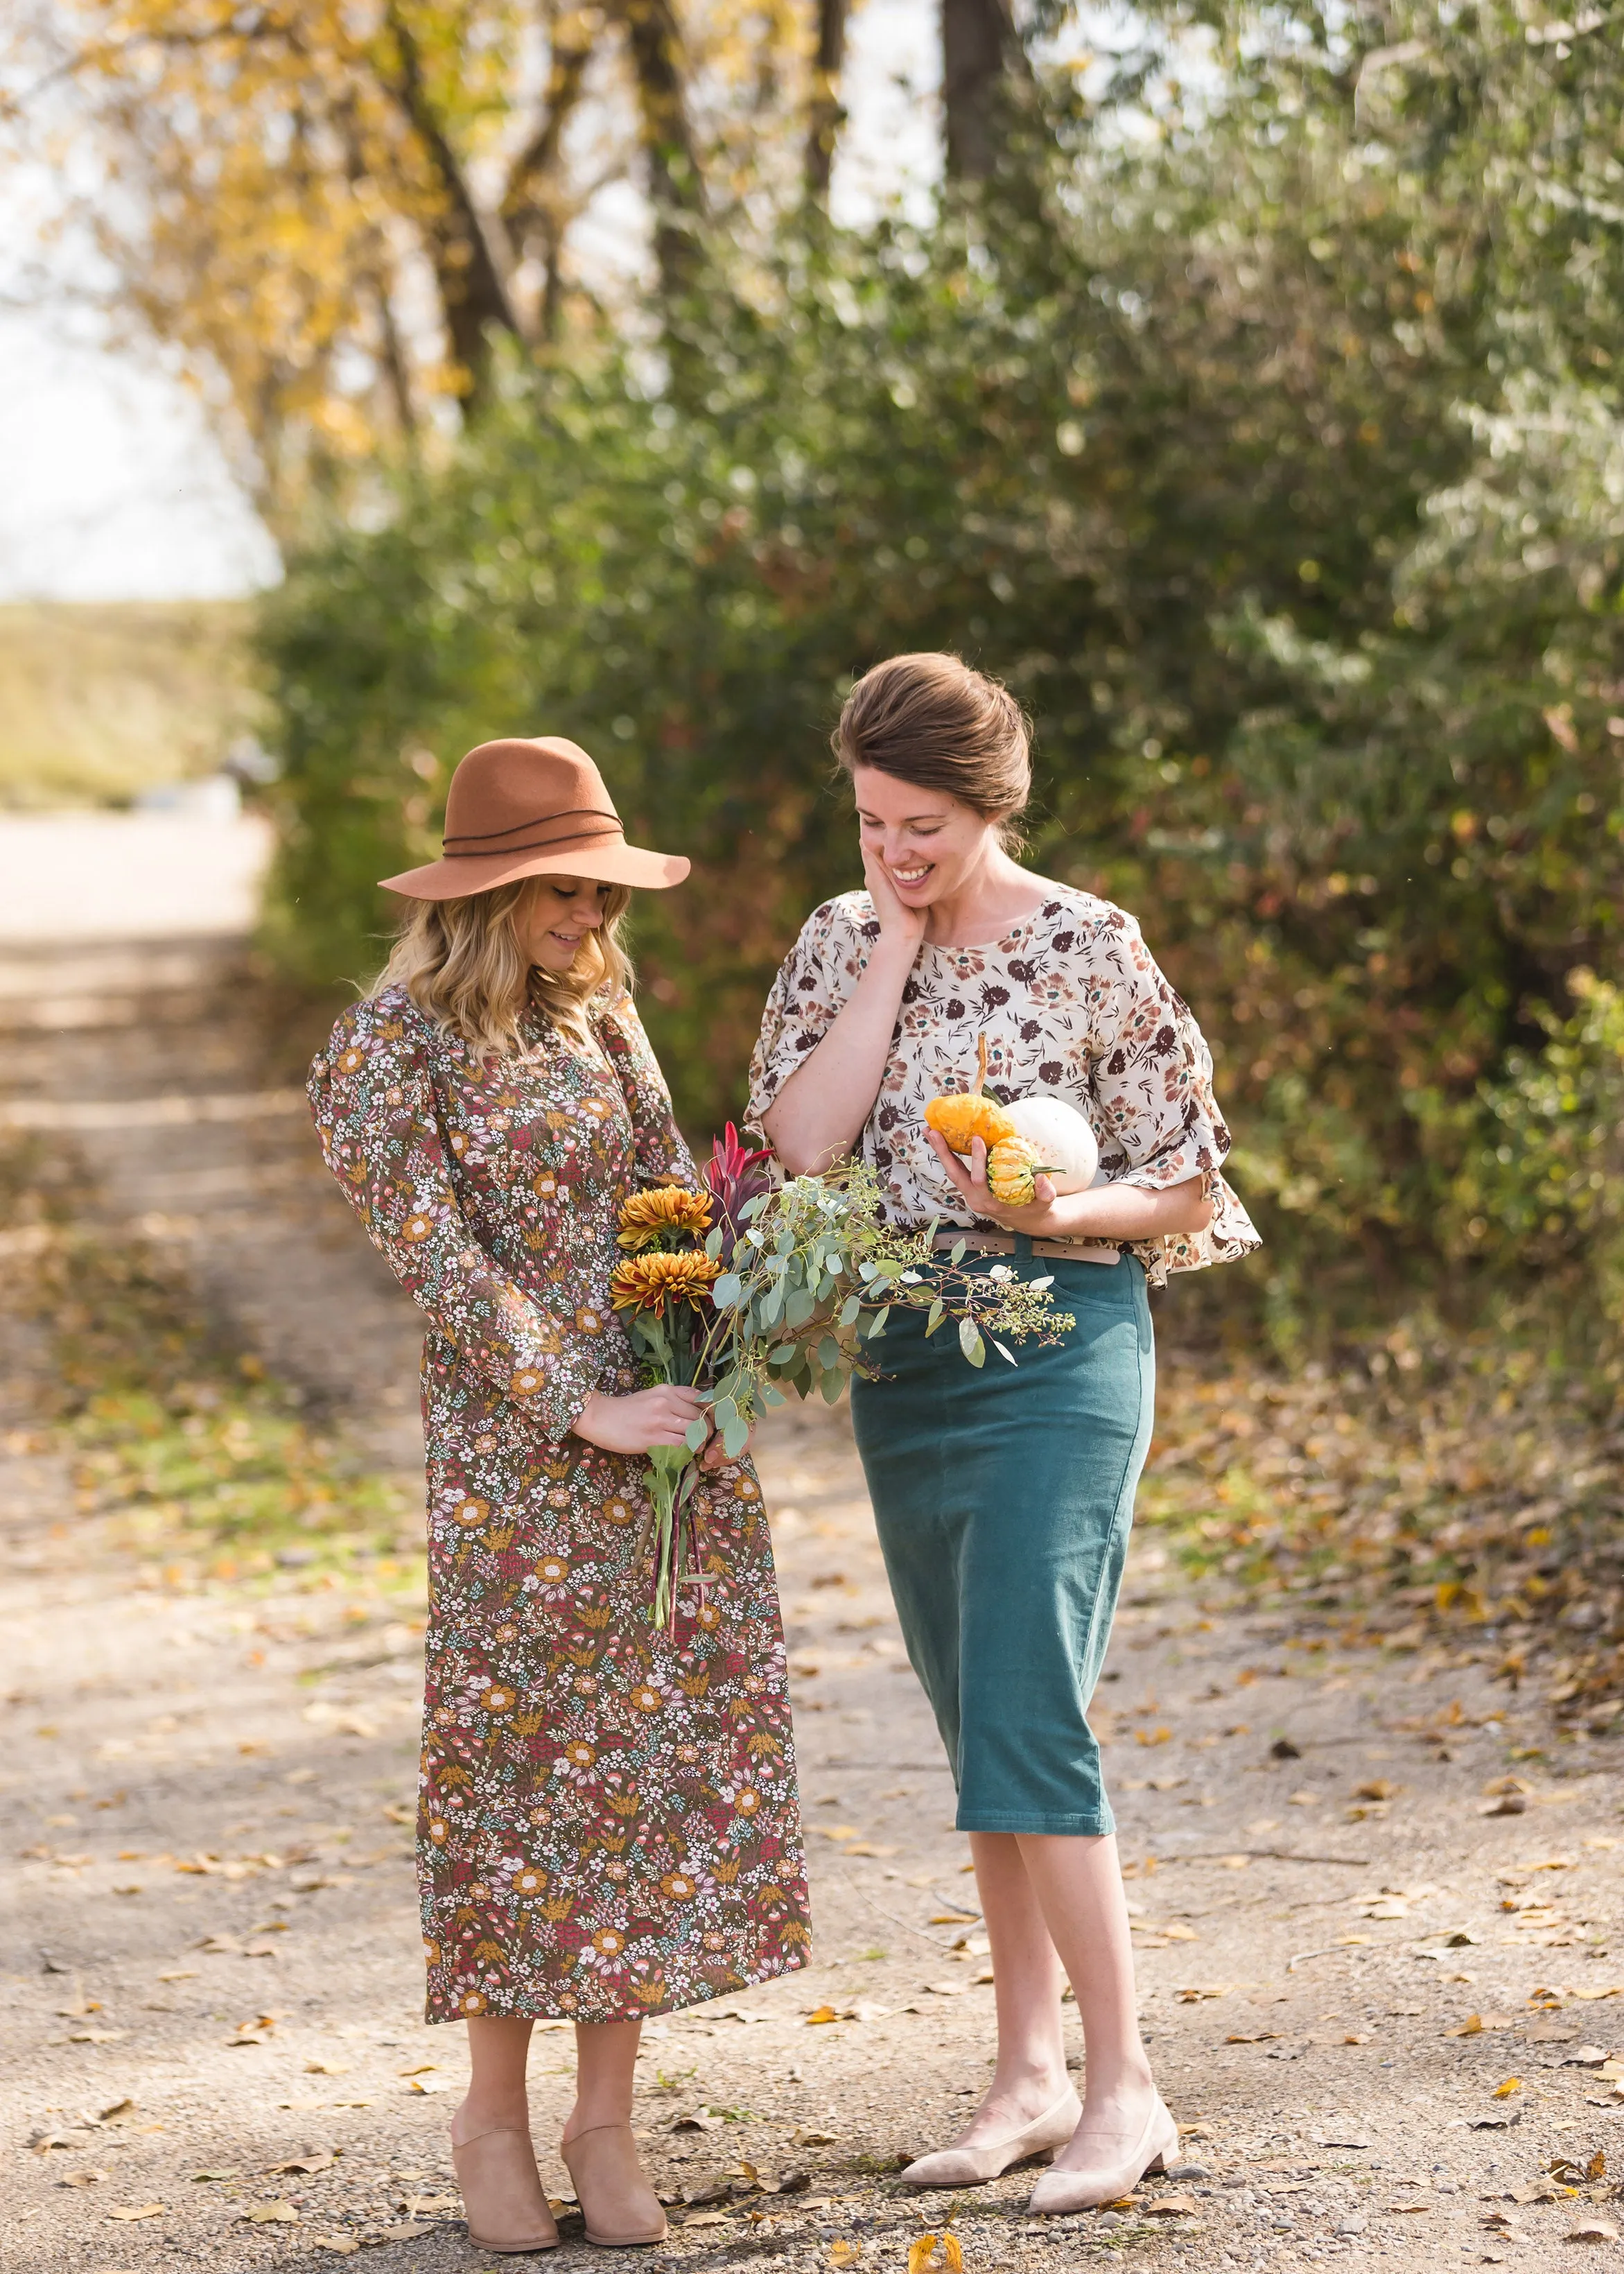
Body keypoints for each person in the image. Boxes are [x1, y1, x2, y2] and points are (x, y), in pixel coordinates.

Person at [748, 654, 1257, 2214]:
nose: (894, 850)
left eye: (924, 827)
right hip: (901, 1361)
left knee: (1033, 1705)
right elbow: (798, 1139)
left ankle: (1127, 2088)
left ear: (993, 804)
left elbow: (1189, 1182)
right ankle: (1024, 2075)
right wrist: (894, 946)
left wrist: (1056, 1205)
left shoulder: (1092, 945)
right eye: (871, 823)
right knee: (977, 1720)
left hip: (1059, 1344)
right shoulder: (844, 937)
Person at [310, 737, 809, 2254]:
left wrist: (718, 1360)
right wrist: (572, 1400)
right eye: (566, 889)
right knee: (527, 1781)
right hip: (521, 1462)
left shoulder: (601, 1009)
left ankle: (607, 2115)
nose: (593, 912)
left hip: (659, 1428)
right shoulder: (385, 1046)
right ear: (487, 888)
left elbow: (668, 1185)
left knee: (646, 1776)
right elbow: (439, 1257)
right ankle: (491, 2111)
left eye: (602, 888)